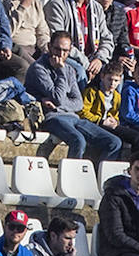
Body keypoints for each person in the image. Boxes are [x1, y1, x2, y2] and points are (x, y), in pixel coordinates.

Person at [26, 30, 122, 159]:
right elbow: (58, 97)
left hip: (73, 117)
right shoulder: (39, 68)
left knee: (114, 142)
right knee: (78, 141)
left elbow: (78, 103)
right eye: (57, 49)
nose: (61, 54)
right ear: (49, 47)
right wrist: (60, 71)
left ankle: (99, 176)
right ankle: (72, 176)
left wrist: (60, 105)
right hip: (52, 118)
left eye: (65, 51)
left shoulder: (70, 70)